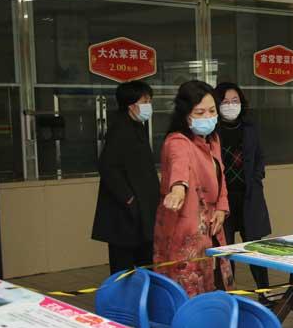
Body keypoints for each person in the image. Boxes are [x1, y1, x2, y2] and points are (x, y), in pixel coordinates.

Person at [154, 80, 233, 297]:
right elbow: (179, 167)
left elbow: (221, 175)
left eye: (212, 111)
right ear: (185, 114)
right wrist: (178, 189)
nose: (208, 117)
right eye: (200, 112)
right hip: (184, 230)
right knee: (185, 289)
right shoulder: (178, 141)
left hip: (210, 226)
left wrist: (222, 208)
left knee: (212, 285)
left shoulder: (213, 140)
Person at [92, 80, 160, 274]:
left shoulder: (137, 126)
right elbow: (107, 167)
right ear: (131, 104)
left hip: (140, 211)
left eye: (149, 101)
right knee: (124, 267)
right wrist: (129, 198)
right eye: (145, 101)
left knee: (144, 263)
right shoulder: (120, 129)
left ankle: (143, 293)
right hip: (124, 214)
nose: (149, 105)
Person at [214, 82, 271, 289]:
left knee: (256, 249)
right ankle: (227, 294)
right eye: (225, 102)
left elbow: (259, 156)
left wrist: (257, 176)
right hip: (223, 200)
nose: (231, 105)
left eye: (235, 101)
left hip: (249, 196)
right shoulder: (212, 130)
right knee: (225, 250)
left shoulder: (250, 127)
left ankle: (265, 292)